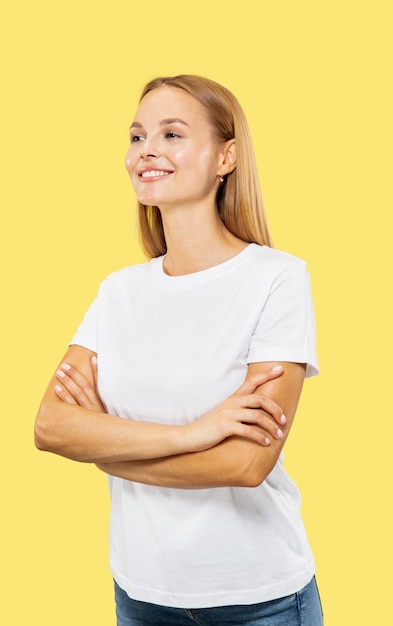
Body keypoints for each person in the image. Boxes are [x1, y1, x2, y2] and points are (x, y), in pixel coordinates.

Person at [35, 74, 323, 625]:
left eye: (171, 134)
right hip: (141, 597)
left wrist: (104, 447)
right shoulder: (119, 291)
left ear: (226, 157)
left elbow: (245, 462)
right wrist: (194, 434)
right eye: (137, 136)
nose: (147, 151)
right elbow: (50, 426)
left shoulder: (277, 279)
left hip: (259, 601)